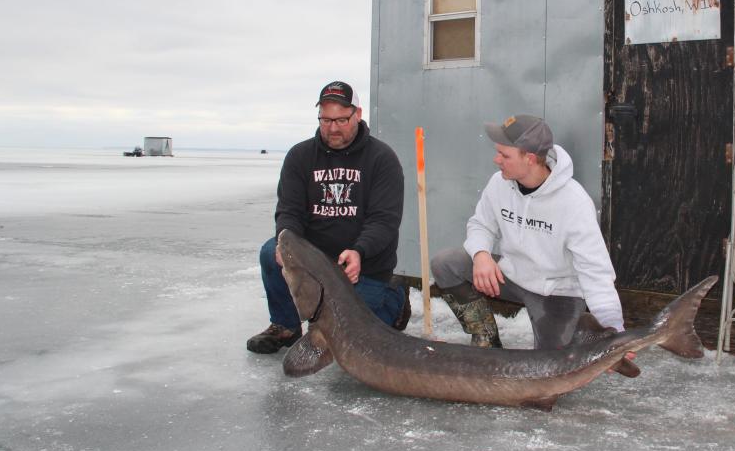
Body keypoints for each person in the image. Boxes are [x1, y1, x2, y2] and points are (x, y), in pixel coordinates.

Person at [430, 114, 625, 350]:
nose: (496, 159)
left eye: (505, 155)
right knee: (446, 263)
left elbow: (596, 271)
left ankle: (568, 334)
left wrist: (614, 330)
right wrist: (481, 254)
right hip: (512, 276)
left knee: (549, 371)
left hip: (556, 292)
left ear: (530, 158)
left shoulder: (574, 202)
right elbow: (480, 224)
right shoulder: (499, 183)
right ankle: (485, 337)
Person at [247, 81, 408, 354]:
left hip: (361, 267)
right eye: (326, 119)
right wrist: (286, 239)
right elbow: (289, 211)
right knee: (269, 251)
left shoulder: (382, 158)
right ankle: (285, 325)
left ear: (357, 114)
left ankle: (395, 300)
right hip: (316, 260)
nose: (333, 128)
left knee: (354, 344)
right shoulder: (300, 156)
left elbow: (384, 221)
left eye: (341, 120)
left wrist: (359, 251)